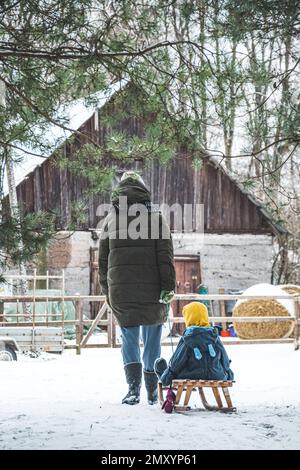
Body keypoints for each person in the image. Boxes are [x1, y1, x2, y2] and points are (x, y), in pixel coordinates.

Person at [99, 171, 176, 405]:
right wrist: (168, 286)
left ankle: (133, 390)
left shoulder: (110, 219)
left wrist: (108, 290)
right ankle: (153, 391)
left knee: (129, 338)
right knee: (152, 339)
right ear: (144, 190)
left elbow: (102, 261)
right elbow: (165, 256)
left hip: (122, 290)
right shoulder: (156, 217)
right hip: (153, 290)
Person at [155, 301, 234, 386]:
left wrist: (169, 374)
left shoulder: (188, 338)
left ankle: (164, 377)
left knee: (160, 364)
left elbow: (177, 362)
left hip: (191, 375)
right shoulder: (214, 336)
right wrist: (228, 373)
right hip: (216, 375)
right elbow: (224, 359)